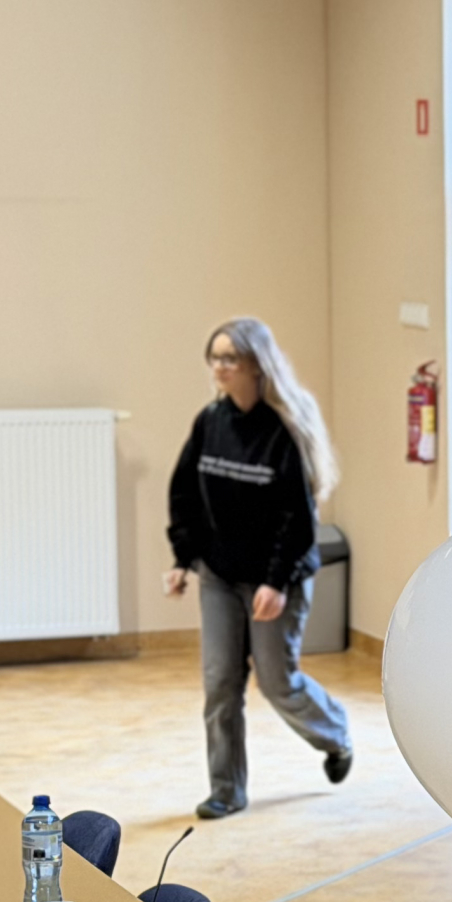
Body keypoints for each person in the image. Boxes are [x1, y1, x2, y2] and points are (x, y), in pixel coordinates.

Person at [165, 318, 352, 820]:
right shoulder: (210, 422)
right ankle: (226, 790)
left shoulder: (282, 430)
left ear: (256, 364)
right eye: (215, 357)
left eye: (230, 358)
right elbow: (184, 494)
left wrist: (276, 581)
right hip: (221, 575)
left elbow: (297, 518)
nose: (219, 367)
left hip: (277, 575)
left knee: (276, 682)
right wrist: (183, 559)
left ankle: (335, 733)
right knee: (220, 683)